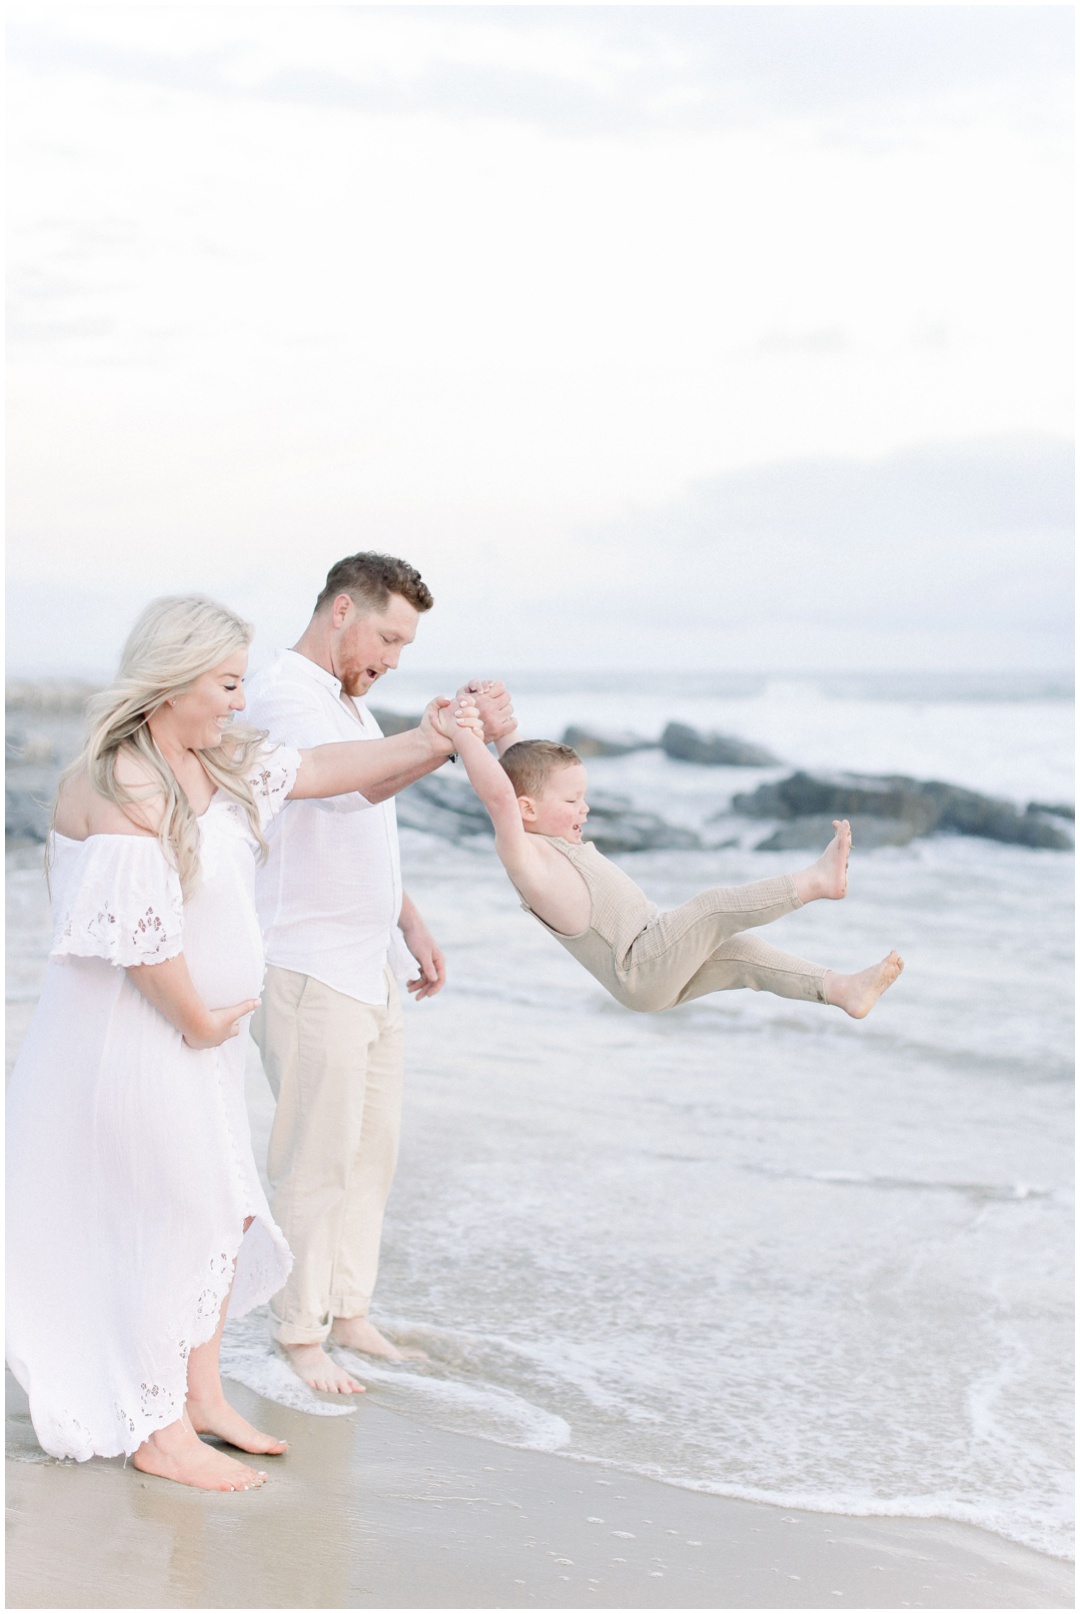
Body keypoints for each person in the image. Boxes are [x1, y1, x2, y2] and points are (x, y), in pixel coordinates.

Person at [5, 595, 465, 1492]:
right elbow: (139, 936)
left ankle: (201, 1396)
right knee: (174, 1218)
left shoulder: (214, 758)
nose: (239, 701)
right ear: (171, 680)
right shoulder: (123, 780)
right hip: (135, 1036)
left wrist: (434, 736)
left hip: (193, 1042)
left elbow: (332, 768)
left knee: (224, 1211)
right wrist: (199, 1018)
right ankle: (156, 1429)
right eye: (224, 683)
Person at [245, 553, 514, 1396]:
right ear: (341, 611)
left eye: (405, 643)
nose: (394, 657)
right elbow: (332, 788)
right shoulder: (284, 693)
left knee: (372, 1152)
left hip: (368, 961)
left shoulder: (346, 703)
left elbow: (367, 805)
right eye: (388, 636)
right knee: (315, 1157)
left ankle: (348, 1310)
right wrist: (442, 735)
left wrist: (409, 917)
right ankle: (298, 1333)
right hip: (308, 963)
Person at [441, 708, 904, 1017]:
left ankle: (842, 990)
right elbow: (504, 794)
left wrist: (502, 730)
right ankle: (817, 881)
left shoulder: (544, 829)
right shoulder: (526, 857)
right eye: (573, 800)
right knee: (714, 906)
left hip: (654, 955)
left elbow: (523, 774)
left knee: (745, 955)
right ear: (527, 811)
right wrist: (462, 731)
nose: (585, 809)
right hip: (639, 967)